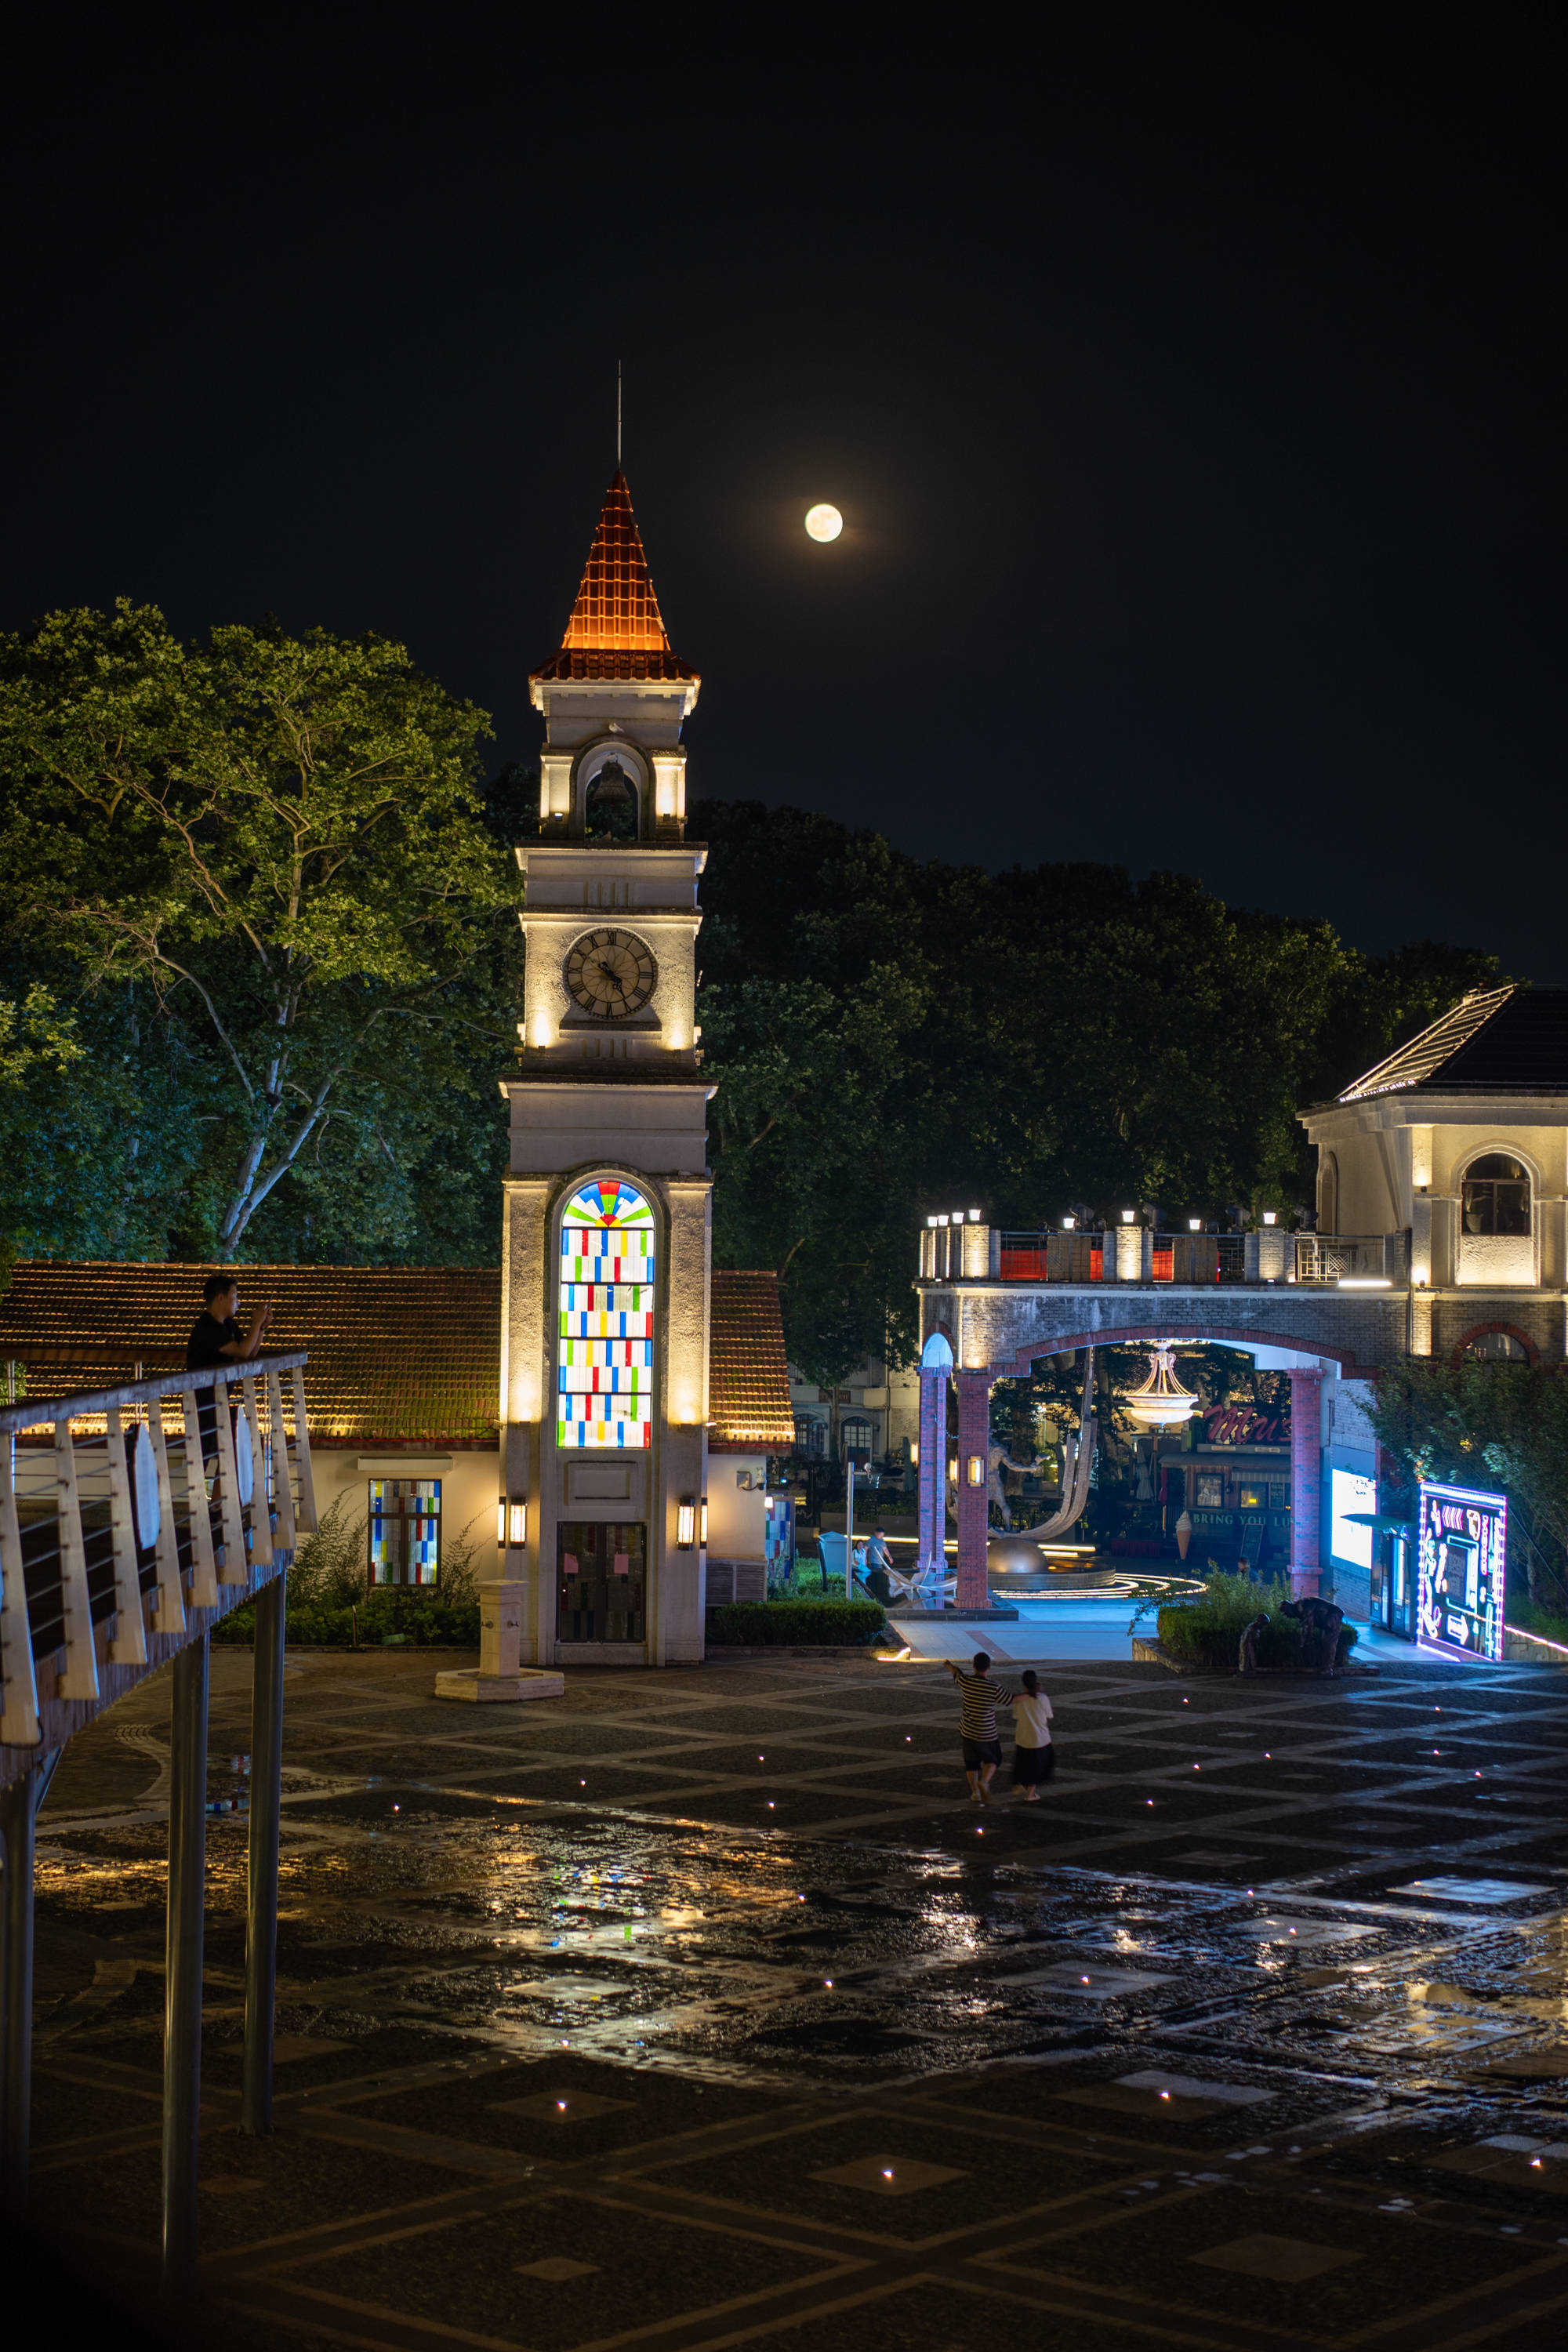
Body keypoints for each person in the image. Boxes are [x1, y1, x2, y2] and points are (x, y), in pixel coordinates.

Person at [186, 1270, 274, 1465]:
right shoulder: (207, 1328)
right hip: (204, 1402)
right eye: (235, 1296)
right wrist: (256, 1322)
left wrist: (261, 1328)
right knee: (206, 1457)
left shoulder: (228, 1325)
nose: (238, 1302)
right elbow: (241, 1351)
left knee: (227, 1454)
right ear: (220, 1298)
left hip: (218, 1400)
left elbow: (249, 1353)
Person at [945, 1650, 1014, 1803]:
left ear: (973, 1666)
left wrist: (949, 1665)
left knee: (971, 1764)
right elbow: (1009, 1700)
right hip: (987, 1733)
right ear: (988, 1667)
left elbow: (957, 1673)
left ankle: (975, 1793)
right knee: (994, 1759)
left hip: (968, 1731)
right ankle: (984, 1781)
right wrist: (1030, 1695)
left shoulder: (966, 1682)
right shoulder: (993, 1687)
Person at [1009, 1669, 1054, 1799]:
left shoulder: (1019, 1699)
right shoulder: (1043, 1698)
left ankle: (1019, 1784)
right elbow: (1049, 1715)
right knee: (1038, 1767)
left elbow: (1016, 1716)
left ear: (1023, 1684)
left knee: (1023, 1763)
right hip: (1040, 1738)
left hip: (1022, 1737)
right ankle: (1030, 1794)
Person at [863, 1526, 895, 1606]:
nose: (882, 1536)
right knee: (874, 1576)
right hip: (873, 1562)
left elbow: (885, 1549)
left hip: (880, 1563)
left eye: (883, 1535)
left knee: (879, 1577)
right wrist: (865, 1559)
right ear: (876, 1533)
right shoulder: (871, 1540)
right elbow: (866, 1549)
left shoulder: (882, 1541)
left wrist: (889, 1557)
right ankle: (873, 1591)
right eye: (881, 1534)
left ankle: (879, 1593)